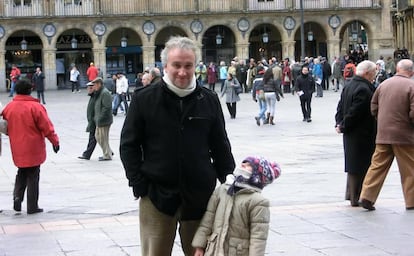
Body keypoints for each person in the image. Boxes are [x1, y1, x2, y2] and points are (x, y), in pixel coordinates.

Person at [119, 36, 235, 256]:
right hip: (156, 195)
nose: (182, 72)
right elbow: (128, 145)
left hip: (201, 196)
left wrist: (229, 180)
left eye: (188, 66)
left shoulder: (208, 100)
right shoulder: (144, 99)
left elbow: (220, 145)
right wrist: (139, 183)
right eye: (177, 65)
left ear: (195, 66)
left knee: (203, 252)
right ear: (165, 66)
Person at [192, 156, 281, 256]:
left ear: (256, 176)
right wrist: (199, 246)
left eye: (248, 165)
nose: (243, 165)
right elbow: (208, 220)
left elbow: (258, 237)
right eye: (243, 163)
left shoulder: (258, 202)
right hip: (214, 250)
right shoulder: (223, 190)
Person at [360, 59, 414, 211]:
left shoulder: (384, 85)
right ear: (411, 72)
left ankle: (367, 196)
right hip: (404, 136)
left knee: (377, 166)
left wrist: (382, 121)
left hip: (383, 134)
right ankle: (411, 201)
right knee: (410, 169)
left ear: (397, 69)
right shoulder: (411, 86)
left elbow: (374, 106)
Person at [1, 79, 59, 214]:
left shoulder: (9, 107)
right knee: (33, 174)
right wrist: (55, 141)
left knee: (21, 172)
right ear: (29, 90)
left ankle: (17, 196)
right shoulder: (36, 107)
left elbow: (3, 124)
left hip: (17, 146)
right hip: (33, 146)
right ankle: (32, 206)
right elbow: (47, 127)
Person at [335, 60, 377, 207]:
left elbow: (340, 107)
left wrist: (339, 123)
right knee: (362, 165)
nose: (374, 76)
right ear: (367, 73)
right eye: (373, 73)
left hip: (350, 132)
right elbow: (356, 112)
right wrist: (344, 124)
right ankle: (358, 196)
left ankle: (351, 195)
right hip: (362, 132)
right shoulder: (364, 89)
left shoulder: (349, 85)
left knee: (353, 163)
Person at [91, 77, 113, 161]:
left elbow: (106, 107)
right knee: (98, 136)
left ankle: (107, 154)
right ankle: (108, 152)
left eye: (95, 85)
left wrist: (100, 118)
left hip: (104, 120)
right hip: (99, 120)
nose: (94, 87)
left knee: (103, 138)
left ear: (99, 84)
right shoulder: (99, 92)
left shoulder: (105, 93)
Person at [78, 82, 97, 160]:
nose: (88, 89)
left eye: (90, 88)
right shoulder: (92, 96)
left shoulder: (96, 97)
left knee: (93, 139)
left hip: (95, 121)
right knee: (101, 138)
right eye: (88, 88)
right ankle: (109, 151)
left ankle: (87, 154)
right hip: (92, 121)